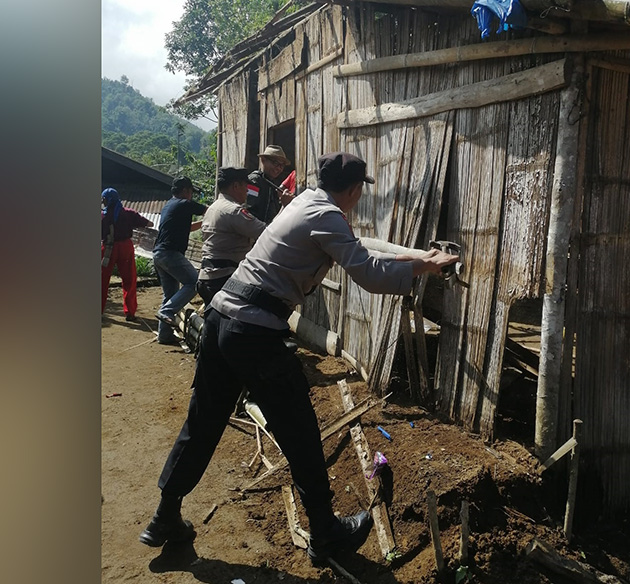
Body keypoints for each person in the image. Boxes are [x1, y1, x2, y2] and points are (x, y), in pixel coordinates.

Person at [139, 152, 460, 564]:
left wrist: (423, 261)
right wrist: (427, 268)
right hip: (254, 331)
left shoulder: (306, 204)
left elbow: (363, 254)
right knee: (301, 434)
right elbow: (369, 272)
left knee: (202, 422)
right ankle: (326, 534)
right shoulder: (328, 216)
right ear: (354, 189)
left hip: (221, 317)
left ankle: (165, 515)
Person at [196, 167, 267, 306]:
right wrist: (286, 207)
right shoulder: (233, 211)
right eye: (245, 186)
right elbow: (267, 233)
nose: (247, 191)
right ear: (236, 186)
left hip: (208, 277)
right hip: (224, 280)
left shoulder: (214, 207)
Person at [153, 176, 208, 345]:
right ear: (186, 191)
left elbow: (189, 228)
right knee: (194, 282)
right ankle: (168, 311)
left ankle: (164, 335)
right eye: (191, 192)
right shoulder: (184, 204)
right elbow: (211, 210)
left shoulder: (170, 205)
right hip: (171, 254)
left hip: (159, 254)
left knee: (170, 294)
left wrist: (204, 222)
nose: (191, 196)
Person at [101, 188, 153, 321]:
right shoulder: (129, 213)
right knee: (129, 280)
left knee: (101, 280)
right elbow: (149, 223)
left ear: (107, 200)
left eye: (104, 199)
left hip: (107, 249)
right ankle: (130, 312)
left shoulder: (102, 216)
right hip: (125, 247)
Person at [247, 145, 295, 224]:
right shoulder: (254, 181)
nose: (278, 168)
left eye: (282, 165)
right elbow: (248, 211)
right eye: (275, 163)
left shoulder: (272, 184)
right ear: (263, 160)